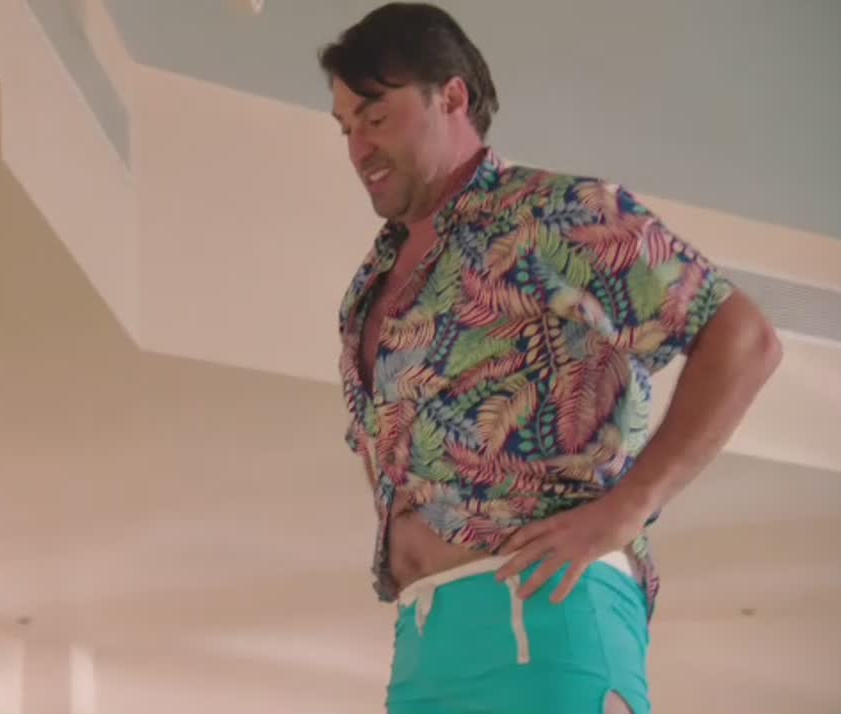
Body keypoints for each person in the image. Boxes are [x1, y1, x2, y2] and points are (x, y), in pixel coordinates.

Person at [319, 4, 782, 713]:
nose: (359, 148)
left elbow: (744, 337)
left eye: (375, 118)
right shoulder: (371, 285)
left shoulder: (550, 214)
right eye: (345, 128)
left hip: (545, 616)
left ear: (451, 97)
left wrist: (627, 510)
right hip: (424, 639)